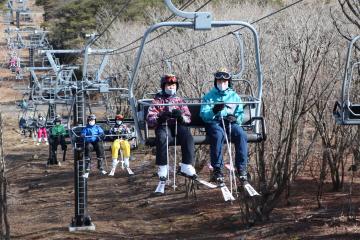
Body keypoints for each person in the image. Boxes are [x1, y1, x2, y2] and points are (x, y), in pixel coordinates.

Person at [200, 67, 248, 183]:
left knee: (241, 134)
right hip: (215, 123)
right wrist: (214, 111)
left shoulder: (234, 96)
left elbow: (240, 113)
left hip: (229, 122)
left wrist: (236, 119)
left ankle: (241, 168)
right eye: (219, 81)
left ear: (228, 82)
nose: (222, 84)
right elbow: (204, 115)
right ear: (216, 82)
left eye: (224, 82)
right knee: (218, 135)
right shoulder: (209, 96)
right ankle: (217, 169)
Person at [146, 74, 197, 181]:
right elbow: (150, 119)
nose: (171, 87)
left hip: (177, 125)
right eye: (169, 85)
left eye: (173, 85)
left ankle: (186, 164)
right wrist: (160, 117)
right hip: (164, 125)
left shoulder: (179, 100)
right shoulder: (157, 100)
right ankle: (162, 166)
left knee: (188, 137)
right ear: (163, 86)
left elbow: (188, 117)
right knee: (162, 137)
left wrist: (181, 117)